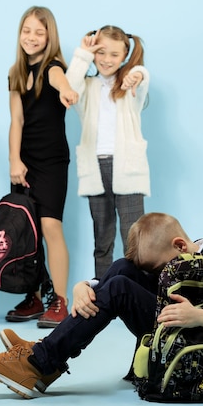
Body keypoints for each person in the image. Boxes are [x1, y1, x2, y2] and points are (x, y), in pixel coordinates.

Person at [0, 212, 203, 399]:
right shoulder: (169, 258)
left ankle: (38, 363)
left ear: (179, 245)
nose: (158, 280)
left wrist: (202, 316)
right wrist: (85, 286)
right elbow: (128, 274)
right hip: (173, 334)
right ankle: (45, 359)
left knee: (122, 288)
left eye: (160, 270)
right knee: (123, 269)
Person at [4, 6, 79, 328]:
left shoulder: (54, 67)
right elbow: (16, 121)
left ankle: (59, 301)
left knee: (50, 227)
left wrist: (67, 90)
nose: (31, 37)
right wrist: (14, 160)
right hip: (25, 161)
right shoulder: (16, 73)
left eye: (39, 32)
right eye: (27, 31)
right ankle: (34, 297)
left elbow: (60, 81)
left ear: (49, 37)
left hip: (51, 161)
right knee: (27, 233)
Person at [66, 26, 151, 279]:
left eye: (114, 54)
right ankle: (105, 296)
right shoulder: (86, 88)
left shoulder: (131, 88)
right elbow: (68, 86)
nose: (106, 59)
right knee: (102, 240)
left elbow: (142, 75)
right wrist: (82, 53)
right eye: (100, 52)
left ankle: (136, 293)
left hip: (128, 169)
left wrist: (136, 74)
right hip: (95, 168)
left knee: (133, 239)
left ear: (125, 55)